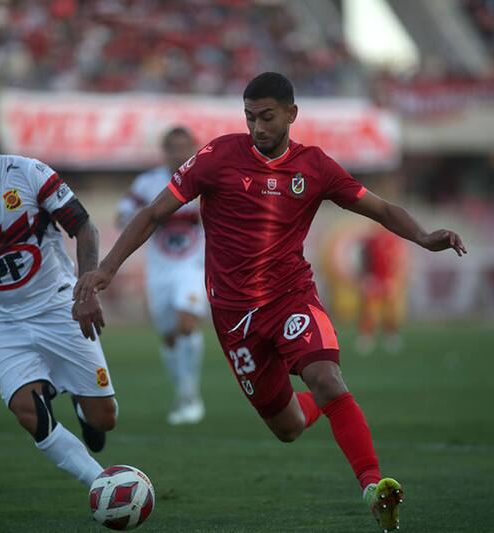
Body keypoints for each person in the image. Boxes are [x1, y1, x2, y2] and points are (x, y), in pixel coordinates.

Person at [73, 73, 467, 531]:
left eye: (266, 116)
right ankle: (321, 403)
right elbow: (154, 212)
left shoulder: (315, 167)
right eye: (249, 116)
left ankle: (373, 488)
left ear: (291, 114)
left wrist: (422, 235)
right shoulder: (218, 156)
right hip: (235, 318)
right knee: (290, 427)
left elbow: (378, 208)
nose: (257, 127)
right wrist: (108, 267)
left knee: (327, 377)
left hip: (290, 297)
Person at [0, 107, 116, 489]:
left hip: (60, 306)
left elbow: (85, 227)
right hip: (5, 320)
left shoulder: (29, 173)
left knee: (104, 419)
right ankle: (102, 485)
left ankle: (75, 398)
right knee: (26, 411)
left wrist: (86, 291)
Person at [117, 126, 207, 425]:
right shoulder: (148, 183)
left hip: (192, 268)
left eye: (185, 147)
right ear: (164, 150)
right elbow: (123, 214)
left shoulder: (206, 179)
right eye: (173, 147)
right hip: (159, 273)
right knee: (169, 338)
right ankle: (182, 392)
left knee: (186, 323)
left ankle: (190, 395)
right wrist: (136, 215)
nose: (179, 153)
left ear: (194, 148)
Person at [356, 225, 408, 355]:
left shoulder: (393, 240)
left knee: (390, 309)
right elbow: (364, 258)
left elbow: (396, 260)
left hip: (387, 279)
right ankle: (366, 337)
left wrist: (392, 277)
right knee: (369, 309)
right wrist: (366, 276)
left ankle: (391, 336)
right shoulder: (370, 241)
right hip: (373, 278)